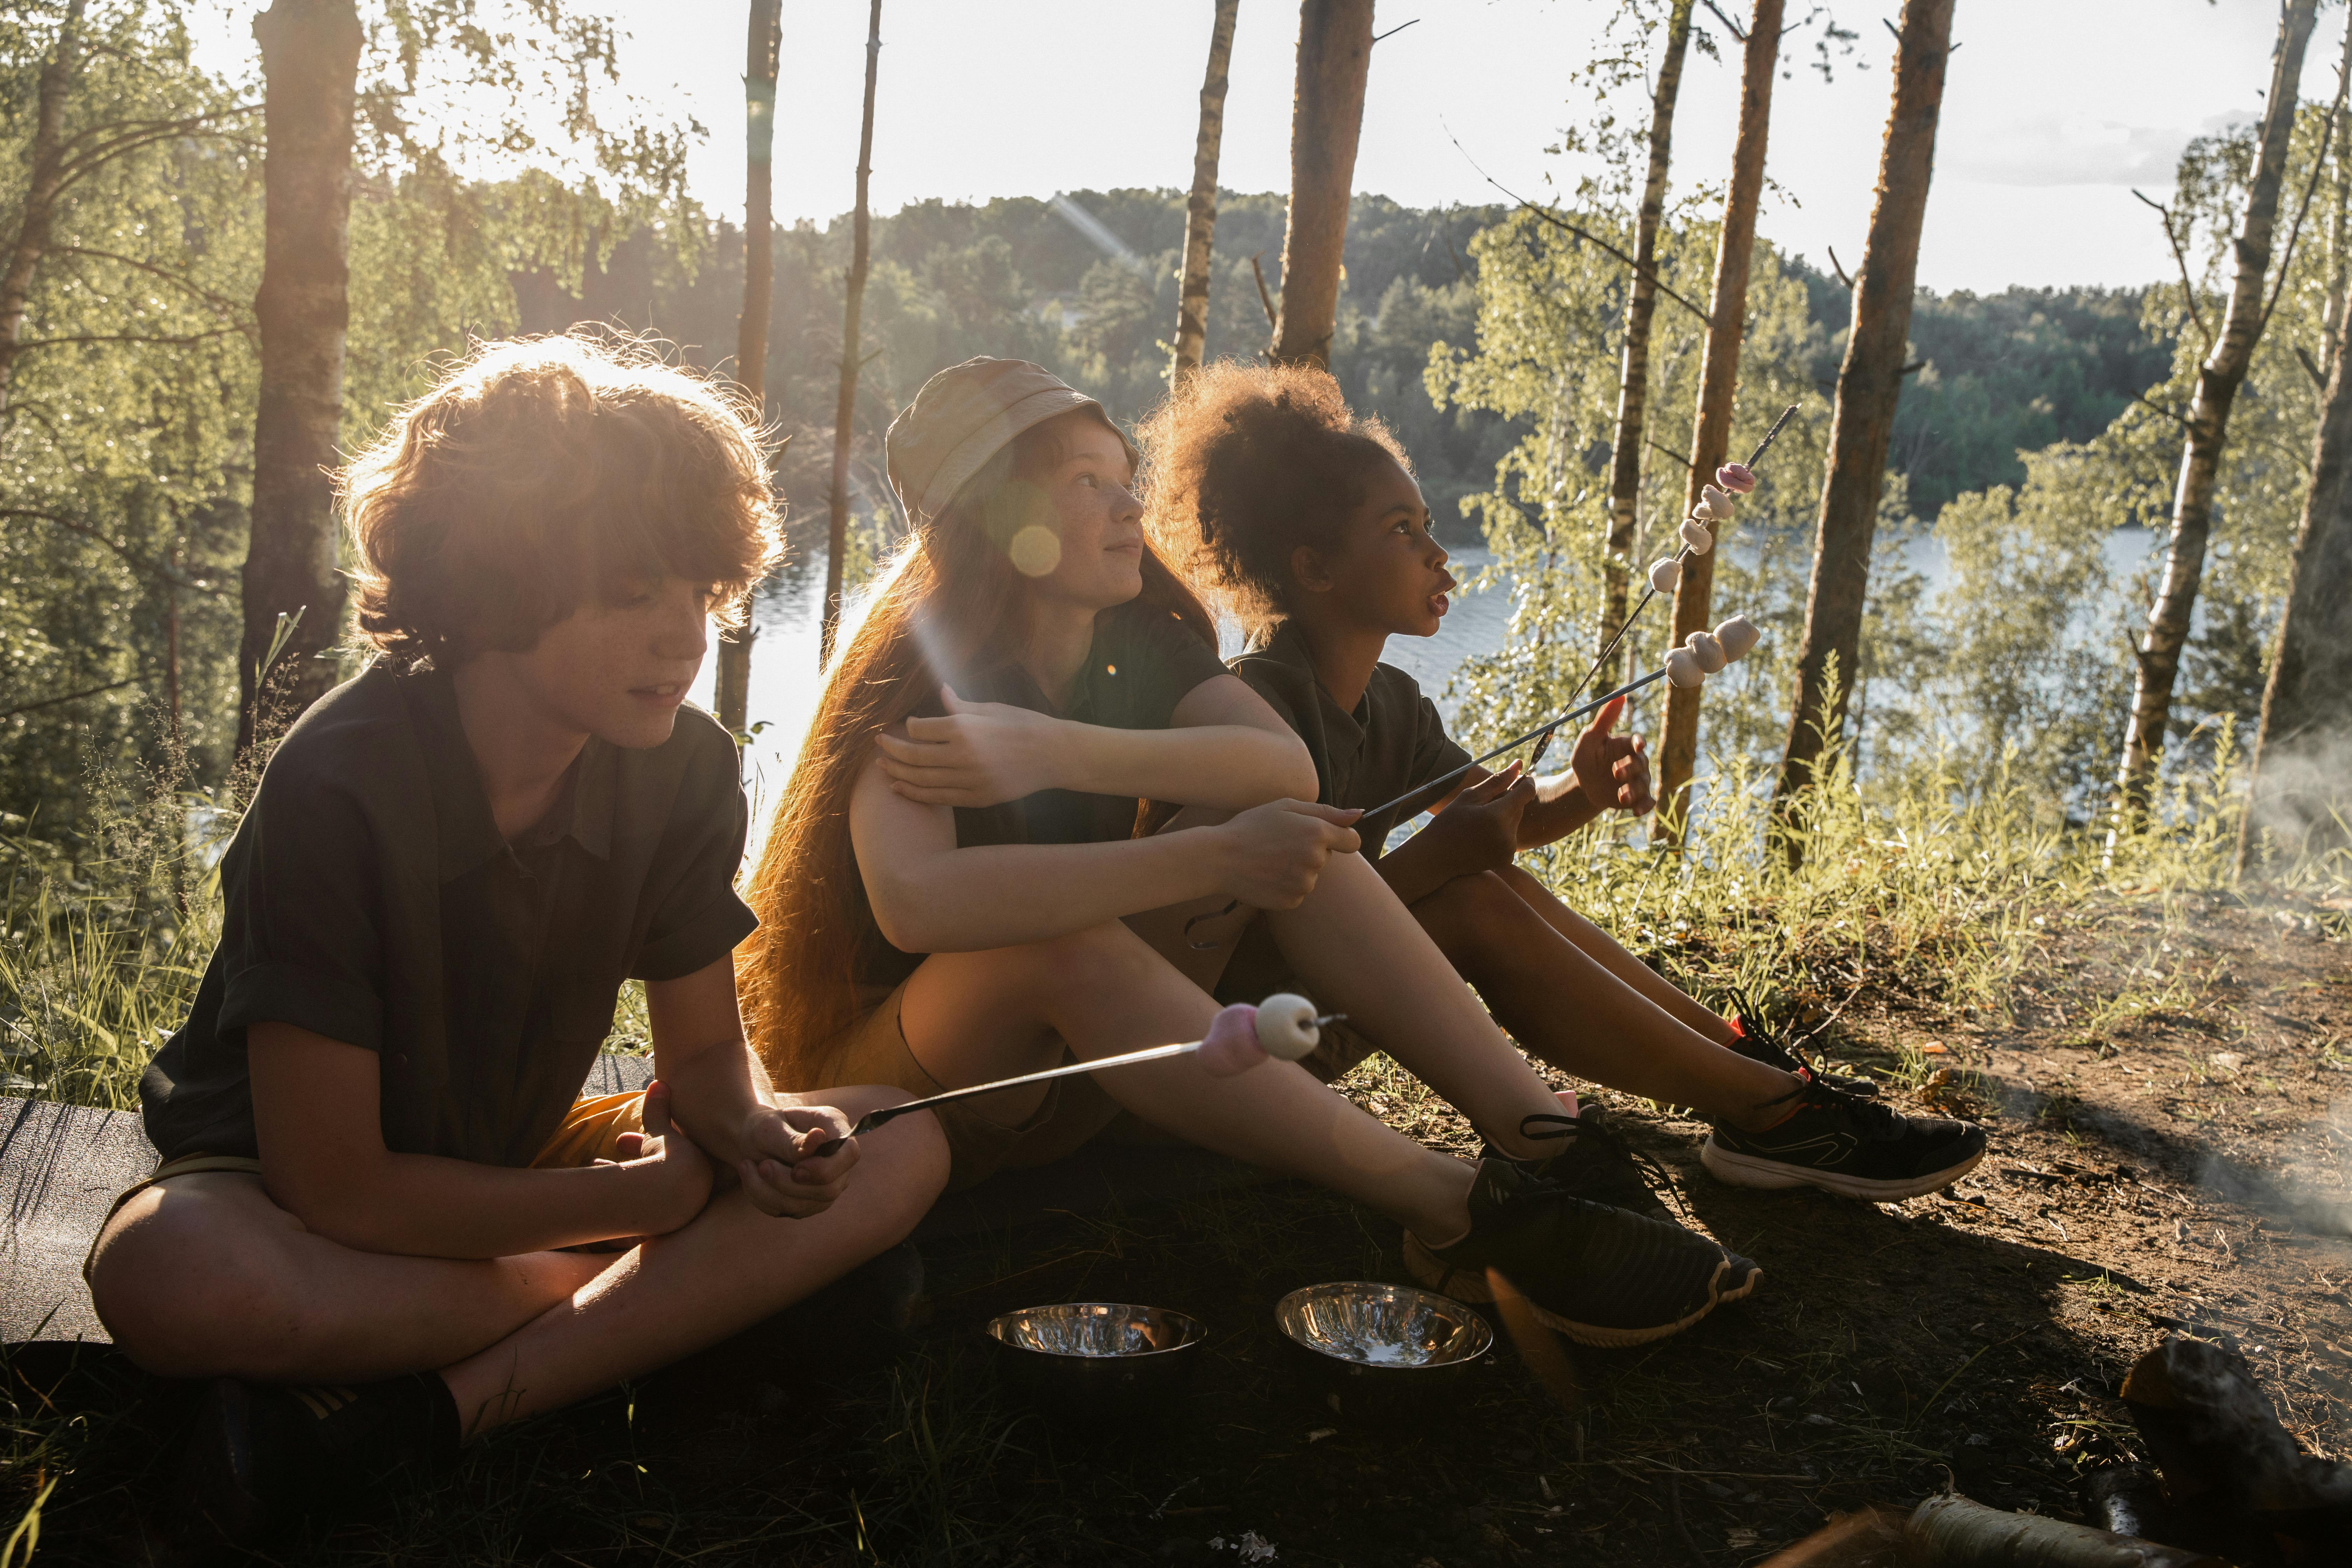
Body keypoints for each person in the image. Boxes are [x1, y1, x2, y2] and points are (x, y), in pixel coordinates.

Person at [84, 336, 949, 1547]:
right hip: (278, 1198)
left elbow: (705, 1066)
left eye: (702, 592)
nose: (685, 637)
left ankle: (421, 1415)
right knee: (165, 1278)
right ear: (499, 585)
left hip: (521, 1169)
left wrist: (757, 1136)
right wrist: (659, 1207)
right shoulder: (339, 786)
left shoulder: (684, 772)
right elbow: (339, 1185)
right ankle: (664, 1317)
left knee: (899, 1140)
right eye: (635, 592)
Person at [740, 356, 1763, 1351]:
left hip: (1080, 1081)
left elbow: (1280, 767)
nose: (1126, 507)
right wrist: (1214, 860)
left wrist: (1055, 750)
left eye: (1125, 480)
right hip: (913, 1095)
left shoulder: (1132, 642)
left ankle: (1552, 1146)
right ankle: (1458, 1210)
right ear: (998, 523)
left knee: (1311, 847)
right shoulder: (925, 668)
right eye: (1085, 484)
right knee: (1058, 942)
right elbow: (923, 905)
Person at [1136, 361, 1986, 1209]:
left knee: (1490, 878)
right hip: (1238, 1041)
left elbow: (1501, 817)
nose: (1437, 551)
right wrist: (1442, 859)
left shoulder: (1393, 703)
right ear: (1315, 568)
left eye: (1428, 522)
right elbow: (1281, 941)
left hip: (1312, 1008)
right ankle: (1769, 1110)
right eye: (1401, 530)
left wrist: (1578, 790)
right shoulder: (1259, 706)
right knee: (1473, 898)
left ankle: (1753, 1071)